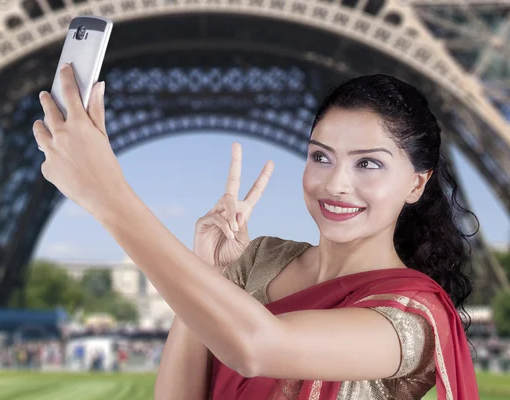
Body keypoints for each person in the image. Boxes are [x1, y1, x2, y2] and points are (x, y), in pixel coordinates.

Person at [33, 64, 479, 399]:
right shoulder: (263, 258)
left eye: (368, 163)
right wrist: (206, 270)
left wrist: (108, 196)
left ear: (417, 182)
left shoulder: (415, 314)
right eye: (321, 156)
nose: (335, 183)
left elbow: (257, 346)